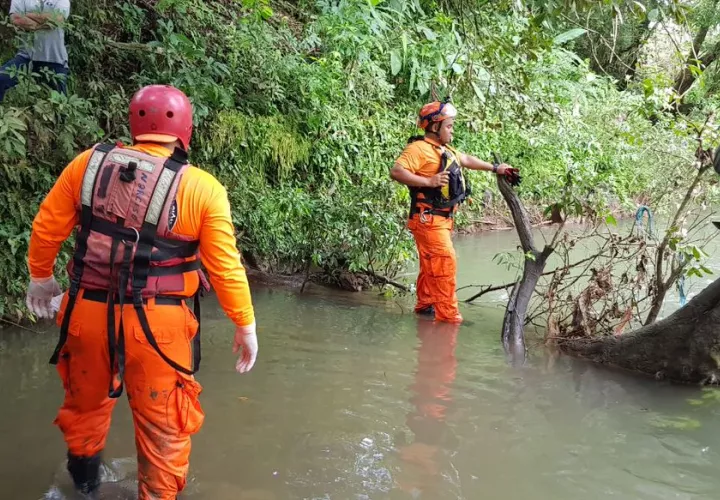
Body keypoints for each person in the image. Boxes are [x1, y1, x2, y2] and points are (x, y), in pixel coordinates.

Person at [25, 85, 258, 499]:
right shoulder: (202, 187)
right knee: (164, 429)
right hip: (159, 326)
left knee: (85, 410)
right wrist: (245, 324)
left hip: (86, 315)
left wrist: (41, 279)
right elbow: (225, 267)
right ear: (185, 131)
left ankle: (84, 487)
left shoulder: (87, 165)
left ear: (134, 124)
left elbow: (46, 229)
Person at [390, 100, 521, 324]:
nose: (452, 130)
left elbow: (466, 159)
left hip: (441, 220)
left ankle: (425, 306)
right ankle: (449, 320)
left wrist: (495, 168)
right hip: (428, 218)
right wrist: (429, 180)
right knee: (444, 264)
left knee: (432, 264)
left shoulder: (445, 149)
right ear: (435, 127)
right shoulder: (418, 149)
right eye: (449, 126)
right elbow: (397, 171)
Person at [1, 0, 70, 102]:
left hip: (55, 60)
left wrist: (26, 15)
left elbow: (57, 20)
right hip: (26, 57)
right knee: (1, 79)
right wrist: (44, 21)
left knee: (59, 106)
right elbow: (15, 19)